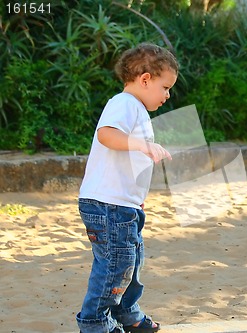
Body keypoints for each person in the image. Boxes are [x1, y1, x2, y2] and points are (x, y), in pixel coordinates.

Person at [76, 43, 179, 333]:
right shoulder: (123, 104)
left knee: (130, 264)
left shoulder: (136, 109)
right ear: (145, 79)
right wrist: (142, 144)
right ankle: (95, 323)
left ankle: (128, 315)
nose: (167, 95)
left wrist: (137, 200)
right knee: (115, 267)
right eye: (165, 87)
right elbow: (107, 135)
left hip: (125, 206)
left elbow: (128, 162)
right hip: (108, 205)